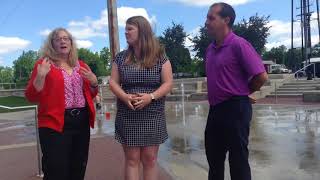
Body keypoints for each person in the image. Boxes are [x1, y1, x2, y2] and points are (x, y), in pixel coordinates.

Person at [204, 3, 268, 180]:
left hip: (236, 109)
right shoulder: (209, 50)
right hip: (215, 109)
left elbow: (261, 76)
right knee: (214, 159)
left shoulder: (239, 44)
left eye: (211, 18)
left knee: (238, 160)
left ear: (226, 20)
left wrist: (244, 93)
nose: (206, 22)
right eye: (207, 18)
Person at [25, 27, 98, 180]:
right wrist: (40, 76)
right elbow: (31, 96)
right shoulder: (44, 64)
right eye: (58, 39)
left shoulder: (82, 65)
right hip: (54, 123)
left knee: (78, 166)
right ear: (52, 44)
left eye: (66, 38)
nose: (63, 41)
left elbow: (91, 94)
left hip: (81, 122)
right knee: (56, 170)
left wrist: (94, 83)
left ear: (71, 43)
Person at [109, 16, 173, 180]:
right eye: (125, 28)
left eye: (130, 28)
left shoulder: (160, 57)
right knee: (132, 160)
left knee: (150, 160)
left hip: (152, 113)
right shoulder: (121, 58)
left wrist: (150, 97)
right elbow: (113, 83)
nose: (126, 32)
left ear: (142, 31)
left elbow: (168, 83)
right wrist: (124, 96)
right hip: (128, 114)